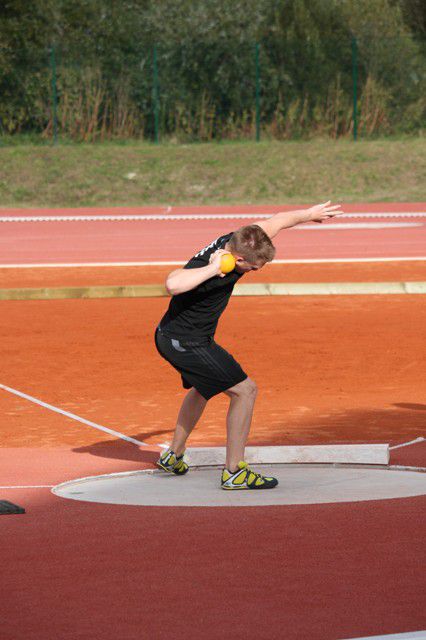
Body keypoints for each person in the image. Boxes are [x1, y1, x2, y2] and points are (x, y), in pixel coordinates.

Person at [154, 201, 342, 490]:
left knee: (202, 387)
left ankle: (174, 455)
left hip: (181, 336)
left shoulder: (240, 238)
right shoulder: (215, 265)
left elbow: (277, 221)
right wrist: (213, 269)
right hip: (184, 342)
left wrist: (309, 215)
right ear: (238, 259)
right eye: (253, 268)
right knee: (245, 390)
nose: (255, 270)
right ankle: (234, 472)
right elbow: (172, 283)